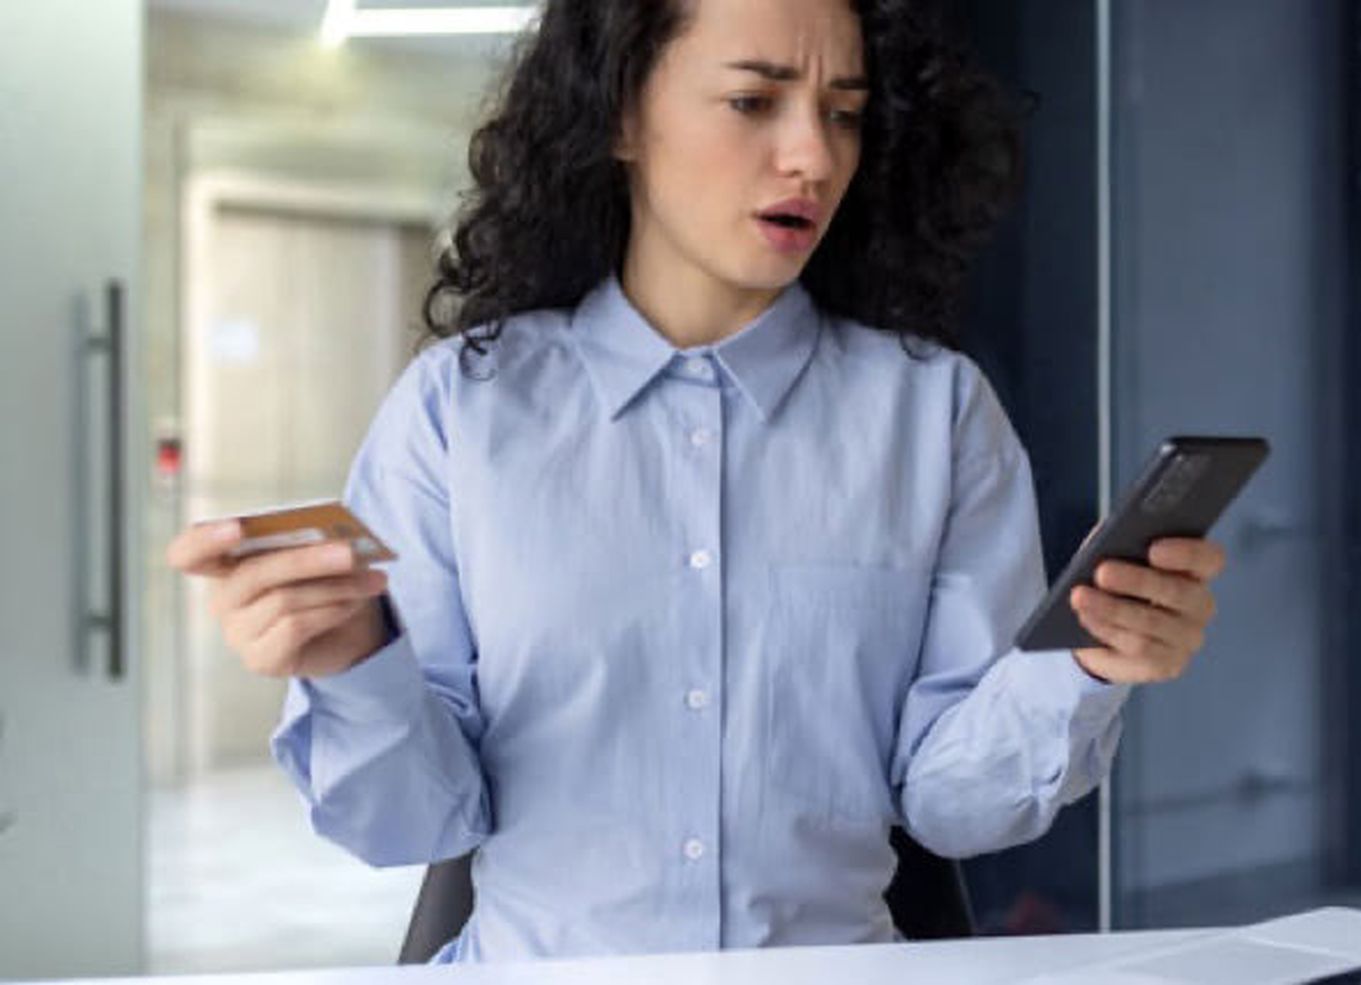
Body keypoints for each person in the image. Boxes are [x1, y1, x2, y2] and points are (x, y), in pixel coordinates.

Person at [165, 0, 1227, 963]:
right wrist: (354, 662)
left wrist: (1085, 663)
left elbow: (951, 806)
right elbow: (411, 822)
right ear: (622, 115)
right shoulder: (460, 411)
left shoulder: (935, 413)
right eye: (754, 100)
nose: (811, 154)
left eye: (845, 113)